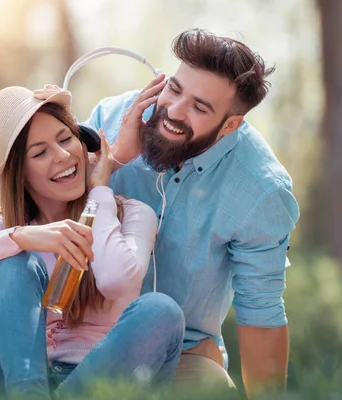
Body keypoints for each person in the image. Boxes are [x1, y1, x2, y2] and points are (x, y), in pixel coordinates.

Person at [0, 84, 185, 399]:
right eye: (40, 152)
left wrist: (98, 194)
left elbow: (116, 280)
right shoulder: (2, 227)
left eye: (65, 139)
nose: (61, 156)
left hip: (91, 385)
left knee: (162, 310)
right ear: (20, 174)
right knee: (14, 262)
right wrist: (21, 237)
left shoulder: (132, 215)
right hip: (12, 383)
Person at [85, 29, 300, 397]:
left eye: (200, 107)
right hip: (80, 334)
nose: (174, 111)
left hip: (181, 353)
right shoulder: (112, 117)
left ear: (231, 124)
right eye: (174, 89)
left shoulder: (262, 191)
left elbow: (261, 314)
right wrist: (115, 157)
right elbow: (49, 215)